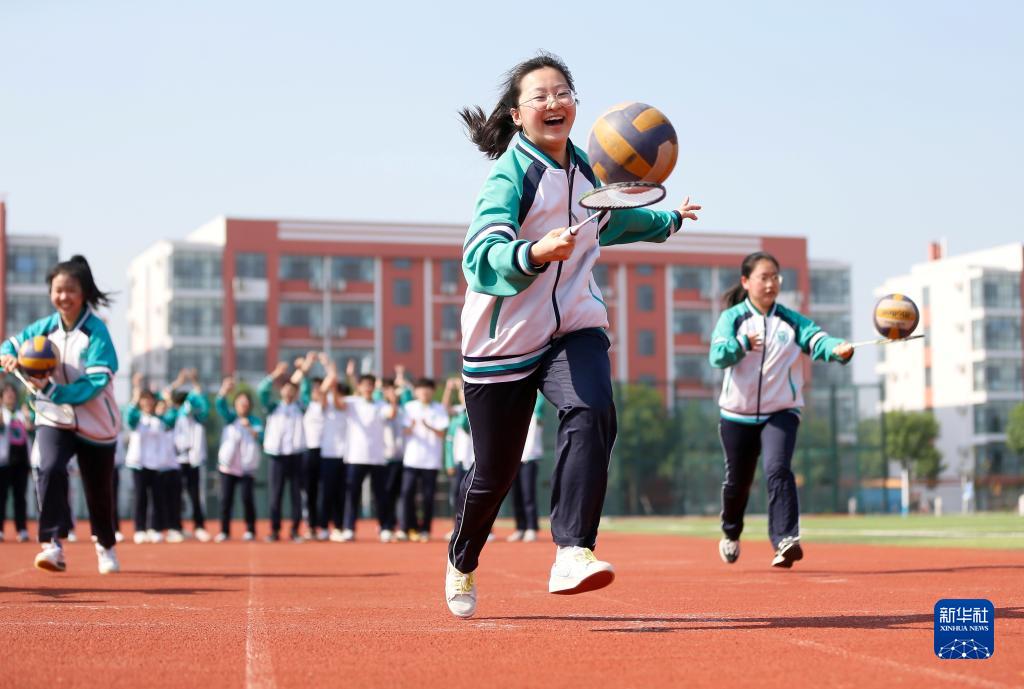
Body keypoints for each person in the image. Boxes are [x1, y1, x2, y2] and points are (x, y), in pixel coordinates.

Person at [445, 53, 700, 618]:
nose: (553, 102)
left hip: (572, 327)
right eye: (539, 96)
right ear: (517, 114)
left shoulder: (589, 170)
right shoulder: (510, 176)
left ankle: (572, 550)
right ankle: (462, 559)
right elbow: (479, 256)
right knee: (495, 472)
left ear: (576, 105)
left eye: (562, 92)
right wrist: (533, 252)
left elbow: (614, 220)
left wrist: (670, 220)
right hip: (502, 341)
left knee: (592, 408)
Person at [709, 251, 853, 568]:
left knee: (778, 469)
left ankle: (785, 539)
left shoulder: (790, 320)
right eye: (764, 277)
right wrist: (743, 344)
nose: (771, 283)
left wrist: (838, 349)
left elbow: (819, 340)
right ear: (746, 282)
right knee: (738, 482)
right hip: (737, 414)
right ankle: (731, 532)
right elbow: (717, 356)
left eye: (776, 277)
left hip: (781, 412)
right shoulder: (732, 319)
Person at [0, 255, 122, 574]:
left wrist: (55, 391)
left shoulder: (96, 332)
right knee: (49, 467)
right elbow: (7, 347)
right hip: (53, 417)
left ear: (84, 292)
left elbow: (97, 380)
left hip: (96, 422)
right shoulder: (44, 328)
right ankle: (53, 544)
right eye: (57, 290)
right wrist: (10, 360)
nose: (63, 297)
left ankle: (105, 544)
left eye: (70, 290)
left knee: (99, 491)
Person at [340, 372, 397, 542]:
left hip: (377, 457)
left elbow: (392, 414)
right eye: (364, 384)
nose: (367, 388)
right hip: (355, 457)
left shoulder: (381, 405)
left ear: (374, 387)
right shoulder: (352, 403)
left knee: (381, 495)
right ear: (359, 387)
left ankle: (385, 527)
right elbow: (337, 403)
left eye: (370, 385)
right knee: (352, 495)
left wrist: (393, 399)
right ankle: (349, 527)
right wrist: (342, 376)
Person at [258, 361, 308, 543]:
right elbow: (261, 392)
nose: (288, 391)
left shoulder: (301, 407)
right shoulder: (273, 407)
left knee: (296, 495)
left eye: (292, 389)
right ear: (281, 390)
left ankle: (295, 529)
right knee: (275, 494)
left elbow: (308, 392)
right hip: (276, 456)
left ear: (295, 392)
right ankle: (275, 529)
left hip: (296, 456)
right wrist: (275, 374)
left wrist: (303, 372)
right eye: (285, 388)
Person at [125, 377, 175, 544]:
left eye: (150, 400)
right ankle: (140, 529)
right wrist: (135, 394)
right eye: (144, 400)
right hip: (138, 464)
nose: (147, 403)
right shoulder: (136, 419)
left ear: (154, 402)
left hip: (156, 465)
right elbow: (128, 415)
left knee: (157, 498)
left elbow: (172, 419)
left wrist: (168, 400)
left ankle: (155, 528)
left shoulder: (160, 420)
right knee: (141, 497)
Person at [399, 378, 449, 543]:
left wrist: (429, 427)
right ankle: (408, 528)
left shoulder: (439, 409)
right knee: (407, 493)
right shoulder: (409, 407)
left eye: (427, 389)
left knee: (428, 497)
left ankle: (425, 529)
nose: (424, 392)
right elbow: (404, 431)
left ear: (433, 391)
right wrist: (411, 427)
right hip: (412, 459)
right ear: (416, 392)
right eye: (421, 389)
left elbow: (443, 433)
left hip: (431, 461)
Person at [214, 378, 263, 541]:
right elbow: (220, 404)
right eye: (240, 403)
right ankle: (224, 531)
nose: (243, 406)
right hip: (228, 467)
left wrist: (248, 426)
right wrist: (224, 390)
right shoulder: (230, 418)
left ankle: (250, 529)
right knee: (226, 500)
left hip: (247, 468)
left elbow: (261, 436)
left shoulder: (255, 421)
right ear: (235, 405)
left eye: (246, 403)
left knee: (247, 499)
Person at [166, 368, 211, 542]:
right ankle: (175, 527)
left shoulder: (196, 415)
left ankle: (199, 526)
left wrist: (195, 383)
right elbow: (166, 396)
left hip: (192, 459)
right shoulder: (172, 414)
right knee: (175, 494)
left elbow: (203, 403)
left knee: (194, 494)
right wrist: (178, 381)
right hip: (175, 459)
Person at [316, 360, 348, 542]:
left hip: (345, 455)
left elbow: (339, 400)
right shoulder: (325, 406)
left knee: (340, 494)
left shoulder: (347, 407)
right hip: (328, 454)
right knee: (327, 492)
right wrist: (331, 371)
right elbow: (322, 392)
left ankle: (338, 526)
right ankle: (323, 526)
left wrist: (334, 380)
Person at [508, 394, 545, 543]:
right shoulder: (513, 415)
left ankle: (531, 527)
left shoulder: (536, 414)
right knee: (515, 495)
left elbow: (540, 400)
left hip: (530, 459)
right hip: (513, 460)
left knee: (528, 494)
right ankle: (520, 528)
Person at [0, 382, 32, 542]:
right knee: (1, 497)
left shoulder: (21, 413)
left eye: (12, 393)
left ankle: (22, 529)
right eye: (7, 393)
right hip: (4, 461)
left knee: (20, 496)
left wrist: (28, 416)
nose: (10, 395)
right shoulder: (2, 413)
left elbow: (30, 429)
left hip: (21, 461)